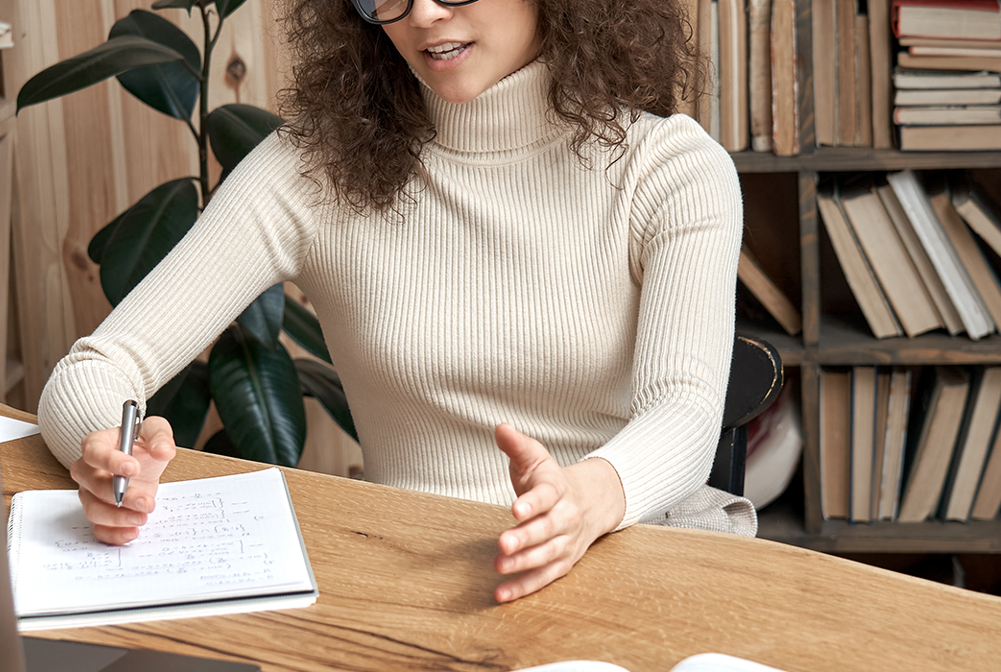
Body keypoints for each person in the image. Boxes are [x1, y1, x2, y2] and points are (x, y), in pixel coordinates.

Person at [40, 0, 750, 604]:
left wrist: (583, 501)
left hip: (618, 559)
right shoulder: (313, 168)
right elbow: (95, 368)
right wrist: (105, 454)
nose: (425, 13)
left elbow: (683, 412)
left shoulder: (670, 171)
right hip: (403, 580)